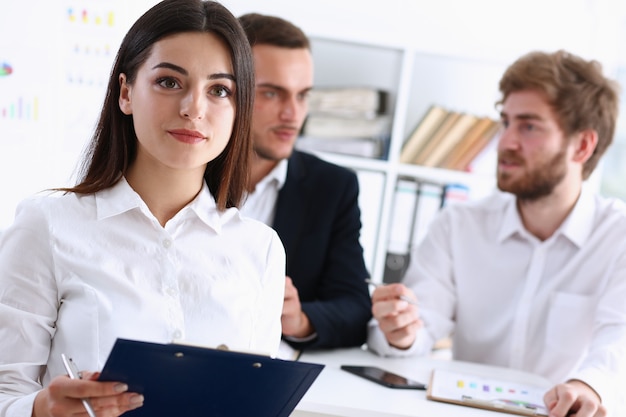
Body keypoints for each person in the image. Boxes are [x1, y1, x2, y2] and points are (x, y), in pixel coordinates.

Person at [0, 1, 286, 416]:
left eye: (219, 90)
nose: (194, 108)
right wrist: (40, 410)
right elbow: (5, 390)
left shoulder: (260, 249)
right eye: (170, 82)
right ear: (126, 92)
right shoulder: (47, 225)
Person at [368, 50, 626, 417]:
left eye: (529, 126)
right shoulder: (457, 225)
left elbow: (619, 342)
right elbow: (419, 326)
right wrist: (402, 332)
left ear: (582, 145)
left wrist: (587, 386)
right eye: (505, 122)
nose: (505, 142)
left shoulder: (618, 238)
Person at [237, 13, 372, 352]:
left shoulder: (333, 187)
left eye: (302, 95)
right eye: (272, 94)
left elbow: (355, 307)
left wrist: (298, 319)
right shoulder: (181, 175)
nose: (293, 114)